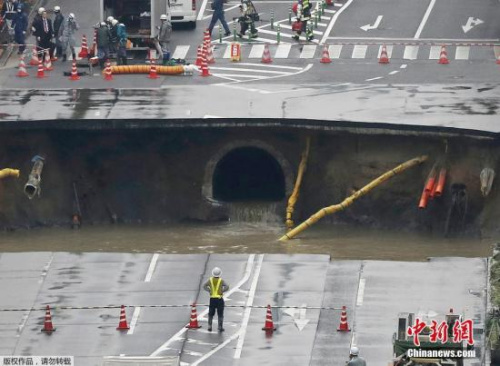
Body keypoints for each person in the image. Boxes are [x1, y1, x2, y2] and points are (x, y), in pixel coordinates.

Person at [203, 267, 229, 332]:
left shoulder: (210, 280)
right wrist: (222, 290)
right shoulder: (221, 280)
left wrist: (209, 290)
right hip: (219, 299)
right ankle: (220, 327)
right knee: (220, 314)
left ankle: (209, 326)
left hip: (212, 299)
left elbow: (204, 286)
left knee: (211, 314)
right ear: (220, 273)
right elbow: (227, 286)